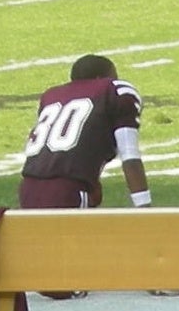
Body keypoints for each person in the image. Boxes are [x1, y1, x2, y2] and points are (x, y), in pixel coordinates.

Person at [18, 55, 153, 210]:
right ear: (100, 78)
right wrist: (143, 205)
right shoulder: (115, 90)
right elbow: (129, 154)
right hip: (68, 189)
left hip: (28, 189)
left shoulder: (52, 95)